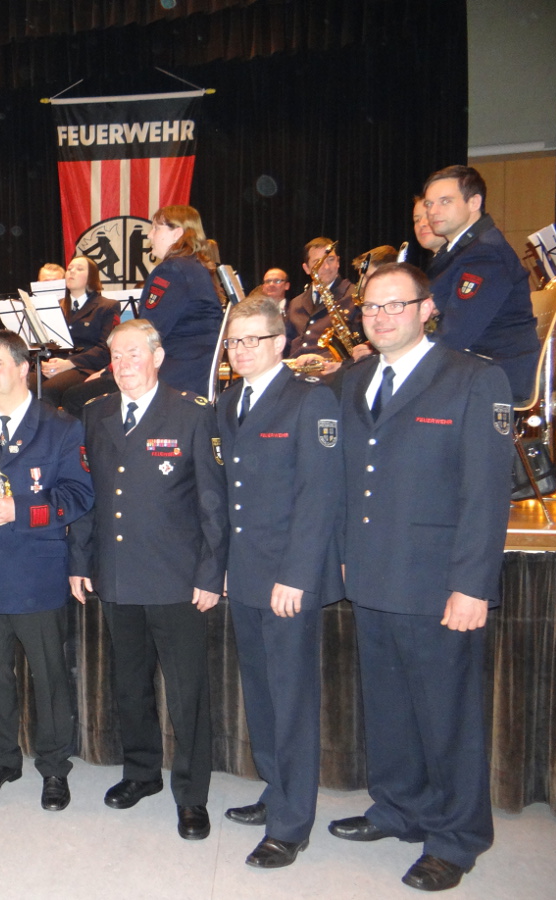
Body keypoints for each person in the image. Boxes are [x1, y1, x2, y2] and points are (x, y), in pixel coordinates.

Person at [329, 262, 513, 892]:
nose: (380, 317)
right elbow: (353, 481)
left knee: (447, 716)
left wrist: (473, 586)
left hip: (440, 584)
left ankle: (457, 836)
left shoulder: (473, 379)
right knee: (388, 708)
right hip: (374, 578)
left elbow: (486, 497)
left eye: (394, 305)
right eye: (371, 308)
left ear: (427, 308)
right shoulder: (353, 380)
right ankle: (399, 808)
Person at [67, 318, 227, 840]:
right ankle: (140, 773)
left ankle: (191, 794)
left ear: (158, 357)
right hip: (116, 575)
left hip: (177, 578)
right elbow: (88, 498)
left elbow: (212, 503)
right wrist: (79, 559)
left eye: (135, 353)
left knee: (186, 695)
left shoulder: (191, 413)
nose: (124, 363)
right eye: (116, 355)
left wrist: (211, 572)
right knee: (130, 685)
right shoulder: (96, 412)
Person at [0, 330, 93, 811]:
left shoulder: (61, 427)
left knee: (49, 679)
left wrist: (20, 510)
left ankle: (54, 768)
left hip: (36, 574)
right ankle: (3, 759)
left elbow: (78, 496)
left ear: (24, 369)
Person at [215, 298, 344, 868]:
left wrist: (297, 575)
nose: (240, 351)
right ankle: (276, 789)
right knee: (262, 694)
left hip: (288, 577)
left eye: (251, 340)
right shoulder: (228, 402)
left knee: (292, 700)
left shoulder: (311, 399)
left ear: (279, 343)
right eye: (234, 342)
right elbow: (227, 495)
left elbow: (320, 496)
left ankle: (293, 822)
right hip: (244, 572)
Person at [64, 205, 224, 410]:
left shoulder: (171, 270)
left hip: (169, 375)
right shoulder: (199, 269)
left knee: (75, 397)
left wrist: (108, 370)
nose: (150, 235)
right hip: (195, 373)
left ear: (177, 232)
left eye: (156, 228)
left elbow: (148, 332)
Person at [423, 164, 540, 403]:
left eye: (445, 201)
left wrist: (399, 353)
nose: (433, 211)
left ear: (474, 203)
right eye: (429, 203)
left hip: (493, 373)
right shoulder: (461, 250)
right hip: (471, 365)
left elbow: (455, 335)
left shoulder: (485, 254)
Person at [38, 256, 119, 415]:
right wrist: (45, 363)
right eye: (69, 269)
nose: (71, 272)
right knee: (26, 385)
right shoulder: (56, 306)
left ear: (92, 277)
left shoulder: (107, 306)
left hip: (84, 366)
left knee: (48, 390)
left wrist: (69, 363)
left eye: (79, 269)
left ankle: (56, 437)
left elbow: (105, 349)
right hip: (56, 364)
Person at [284, 238, 358, 376]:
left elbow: (360, 348)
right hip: (294, 375)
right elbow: (285, 344)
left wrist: (324, 359)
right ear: (306, 268)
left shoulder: (354, 296)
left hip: (332, 375)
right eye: (318, 262)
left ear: (338, 262)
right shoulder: (295, 303)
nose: (326, 267)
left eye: (330, 259)